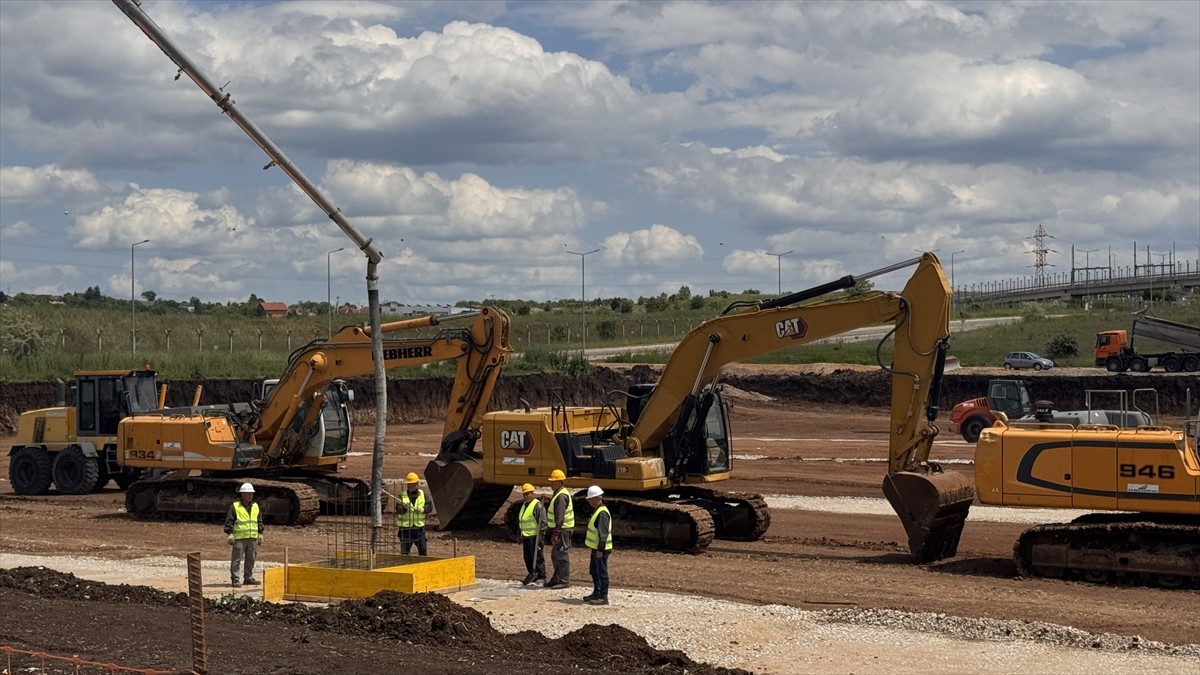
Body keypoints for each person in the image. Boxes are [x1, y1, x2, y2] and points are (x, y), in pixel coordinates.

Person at [223, 482, 263, 587]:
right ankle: (235, 579)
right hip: (239, 538)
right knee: (236, 559)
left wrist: (260, 533)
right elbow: (229, 522)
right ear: (242, 494)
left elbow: (259, 521)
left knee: (251, 559)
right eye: (248, 493)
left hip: (252, 538)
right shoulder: (235, 507)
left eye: (251, 494)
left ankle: (248, 578)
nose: (250, 496)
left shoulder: (255, 506)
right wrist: (230, 533)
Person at [543, 469, 573, 590]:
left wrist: (556, 532)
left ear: (560, 482)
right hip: (562, 529)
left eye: (553, 482)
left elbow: (559, 516)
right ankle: (557, 579)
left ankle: (563, 580)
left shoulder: (561, 496)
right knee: (556, 554)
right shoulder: (559, 494)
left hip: (563, 530)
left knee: (561, 554)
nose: (551, 484)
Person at [582, 485, 612, 605]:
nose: (588, 501)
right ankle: (597, 592)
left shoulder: (602, 513)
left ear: (595, 498)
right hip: (596, 548)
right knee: (594, 571)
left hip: (601, 549)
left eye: (590, 499)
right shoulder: (598, 511)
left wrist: (600, 549)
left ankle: (603, 596)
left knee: (601, 572)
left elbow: (603, 534)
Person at [396, 472, 432, 555]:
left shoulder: (423, 495)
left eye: (412, 484)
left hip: (419, 529)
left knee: (423, 550)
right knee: (404, 553)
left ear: (416, 484)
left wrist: (422, 509)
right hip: (405, 529)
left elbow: (429, 507)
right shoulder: (401, 495)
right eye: (408, 484)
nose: (410, 486)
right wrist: (404, 507)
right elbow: (399, 510)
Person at [517, 483, 547, 585]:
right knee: (528, 557)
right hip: (526, 536)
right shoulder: (524, 506)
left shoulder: (537, 505)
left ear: (532, 493)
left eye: (528, 494)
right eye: (524, 494)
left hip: (535, 536)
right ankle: (532, 573)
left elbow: (542, 522)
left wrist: (541, 536)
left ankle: (541, 576)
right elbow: (522, 521)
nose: (526, 496)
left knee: (537, 557)